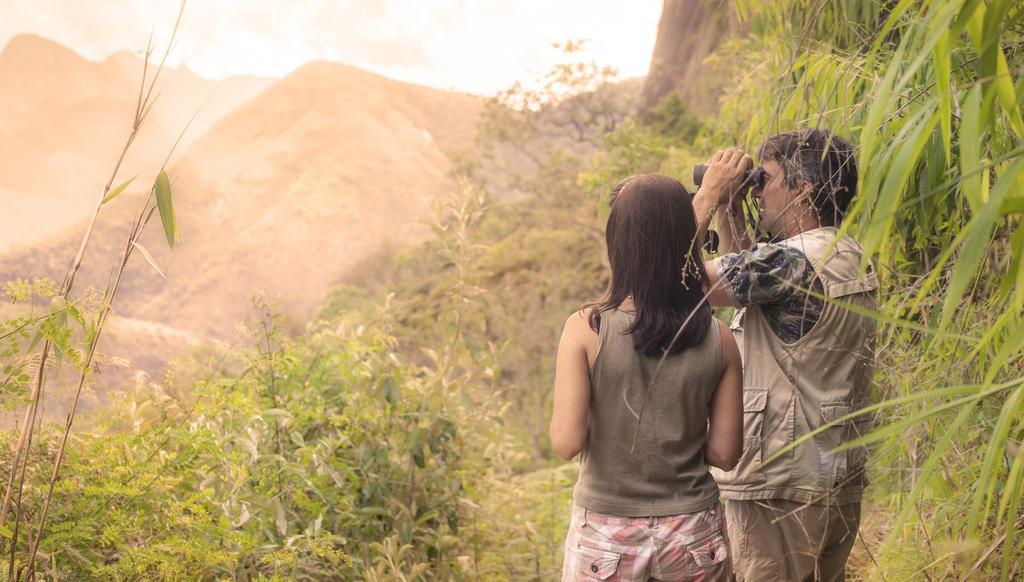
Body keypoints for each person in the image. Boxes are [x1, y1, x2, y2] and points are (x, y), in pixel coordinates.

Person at [692, 128, 878, 582]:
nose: (759, 190)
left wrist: (706, 194)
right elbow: (749, 286)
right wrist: (728, 209)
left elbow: (674, 282)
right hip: (830, 470)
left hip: (778, 484)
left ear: (802, 189)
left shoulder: (788, 263)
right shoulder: (844, 253)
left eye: (767, 178)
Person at [550, 173, 744, 581]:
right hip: (694, 533)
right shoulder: (719, 338)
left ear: (617, 242)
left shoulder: (586, 329)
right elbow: (726, 455)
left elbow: (566, 442)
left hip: (607, 535)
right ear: (687, 240)